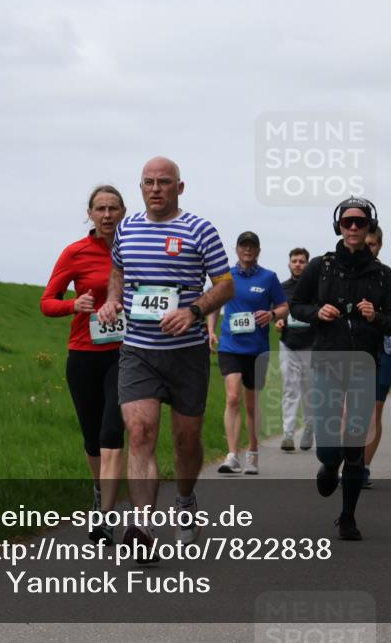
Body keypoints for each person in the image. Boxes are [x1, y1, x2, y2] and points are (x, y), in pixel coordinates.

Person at [97, 157, 234, 557]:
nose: (156, 189)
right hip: (138, 351)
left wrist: (192, 312)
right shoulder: (127, 228)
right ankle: (142, 528)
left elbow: (224, 286)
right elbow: (118, 274)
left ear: (180, 187)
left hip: (187, 352)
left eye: (164, 182)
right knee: (139, 433)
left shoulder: (200, 230)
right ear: (140, 187)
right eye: (148, 182)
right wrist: (111, 301)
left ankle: (186, 499)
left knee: (186, 439)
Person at [290, 197, 391, 540]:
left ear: (370, 225)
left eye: (360, 222)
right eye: (347, 222)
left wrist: (376, 317)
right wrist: (317, 312)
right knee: (329, 446)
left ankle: (348, 517)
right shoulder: (319, 267)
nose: (353, 227)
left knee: (355, 445)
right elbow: (296, 305)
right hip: (327, 362)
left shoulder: (385, 277)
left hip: (364, 366)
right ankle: (328, 464)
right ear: (338, 226)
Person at [40, 185, 128, 545]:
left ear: (123, 212)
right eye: (100, 209)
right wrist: (72, 306)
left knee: (111, 434)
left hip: (126, 354)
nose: (107, 215)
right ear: (90, 214)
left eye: (113, 208)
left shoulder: (134, 249)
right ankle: (99, 491)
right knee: (92, 439)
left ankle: (106, 515)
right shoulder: (74, 252)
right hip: (83, 355)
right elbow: (47, 302)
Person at [207, 231, 288, 475]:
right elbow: (213, 303)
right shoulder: (225, 277)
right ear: (237, 249)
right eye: (244, 245)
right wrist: (211, 331)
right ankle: (232, 455)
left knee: (252, 404)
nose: (248, 250)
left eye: (252, 246)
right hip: (230, 345)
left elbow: (284, 307)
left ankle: (252, 453)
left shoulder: (269, 278)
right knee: (232, 397)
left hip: (257, 348)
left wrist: (272, 314)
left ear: (258, 250)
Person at [362, 227, 391, 489]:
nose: (368, 248)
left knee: (373, 414)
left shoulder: (387, 277)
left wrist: (378, 313)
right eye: (365, 243)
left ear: (379, 245)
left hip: (382, 352)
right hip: (351, 352)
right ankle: (347, 460)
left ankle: (364, 468)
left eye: (373, 244)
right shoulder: (344, 273)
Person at [275, 247, 316, 452]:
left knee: (309, 391)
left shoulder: (315, 288)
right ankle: (288, 434)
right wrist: (279, 321)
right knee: (290, 389)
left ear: (307, 264)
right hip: (288, 344)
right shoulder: (282, 289)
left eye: (301, 261)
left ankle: (309, 427)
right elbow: (278, 313)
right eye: (294, 261)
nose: (298, 264)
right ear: (289, 264)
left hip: (310, 345)